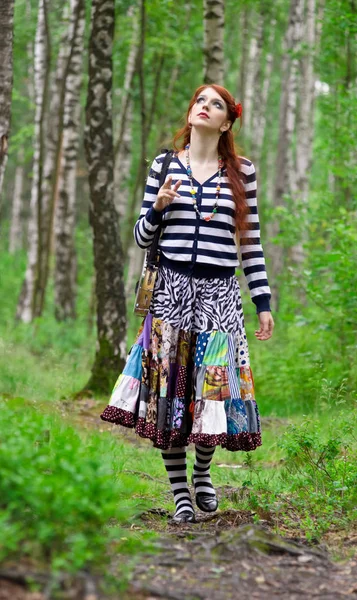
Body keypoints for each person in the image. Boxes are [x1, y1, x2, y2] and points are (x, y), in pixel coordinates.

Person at [101, 84, 274, 523]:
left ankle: (202, 473)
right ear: (191, 112)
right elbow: (142, 236)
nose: (205, 107)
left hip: (220, 297)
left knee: (209, 392)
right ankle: (179, 491)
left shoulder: (243, 172)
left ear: (226, 122)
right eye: (200, 100)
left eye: (215, 104)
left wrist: (263, 301)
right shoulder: (163, 165)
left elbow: (249, 245)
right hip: (171, 295)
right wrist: (157, 208)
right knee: (170, 395)